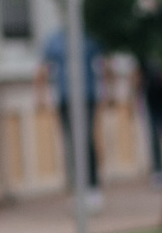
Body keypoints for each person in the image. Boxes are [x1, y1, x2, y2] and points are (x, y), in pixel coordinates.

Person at [34, 23, 107, 208]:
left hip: (87, 96)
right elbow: (43, 67)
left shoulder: (88, 36)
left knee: (86, 140)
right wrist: (40, 96)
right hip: (66, 98)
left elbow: (104, 63)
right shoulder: (55, 39)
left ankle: (92, 187)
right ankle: (76, 188)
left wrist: (109, 91)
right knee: (70, 142)